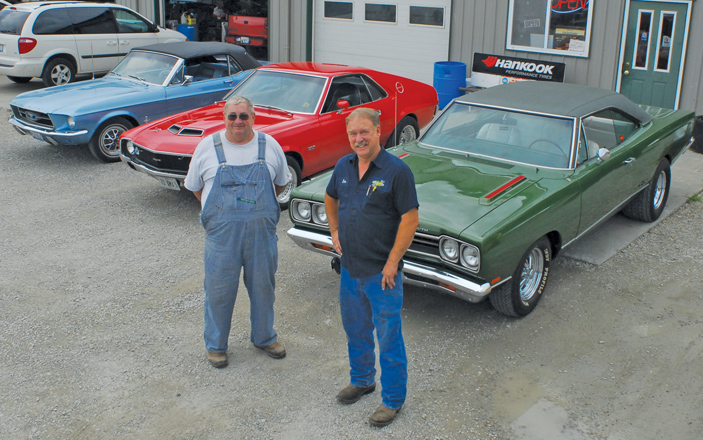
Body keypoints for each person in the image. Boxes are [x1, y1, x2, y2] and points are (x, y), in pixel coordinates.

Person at [324, 108, 419, 427]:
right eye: (353, 133)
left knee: (389, 336)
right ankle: (363, 380)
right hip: (350, 270)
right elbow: (329, 196)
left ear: (378, 131)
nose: (358, 138)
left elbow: (410, 219)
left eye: (364, 132)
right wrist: (334, 230)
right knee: (356, 330)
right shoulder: (344, 166)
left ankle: (393, 400)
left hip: (383, 274)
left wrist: (393, 262)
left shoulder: (397, 171)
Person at [185, 95, 291, 368]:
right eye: (232, 116)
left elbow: (279, 185)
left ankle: (265, 337)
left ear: (253, 118)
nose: (238, 121)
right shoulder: (208, 147)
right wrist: (219, 211)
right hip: (222, 237)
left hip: (261, 235)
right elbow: (196, 187)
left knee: (263, 288)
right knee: (219, 291)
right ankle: (216, 346)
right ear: (225, 118)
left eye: (244, 116)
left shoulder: (270, 146)